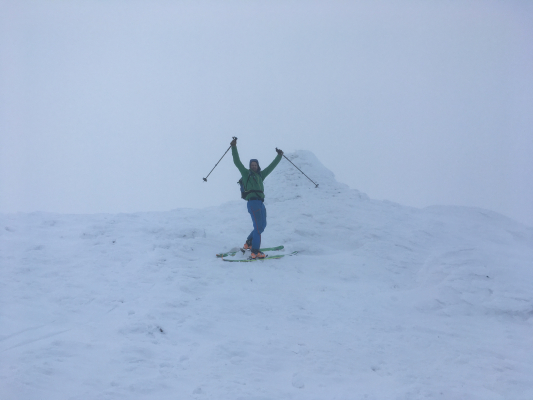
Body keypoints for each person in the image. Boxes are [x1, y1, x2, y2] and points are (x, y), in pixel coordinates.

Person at [231, 137, 283, 259]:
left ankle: (248, 243)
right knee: (258, 227)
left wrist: (279, 156)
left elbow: (271, 167)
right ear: (250, 166)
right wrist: (234, 147)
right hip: (252, 202)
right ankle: (255, 250)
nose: (254, 166)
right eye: (252, 165)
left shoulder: (261, 175)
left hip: (260, 203)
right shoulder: (246, 174)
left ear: (258, 166)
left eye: (255, 164)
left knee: (262, 226)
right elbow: (237, 162)